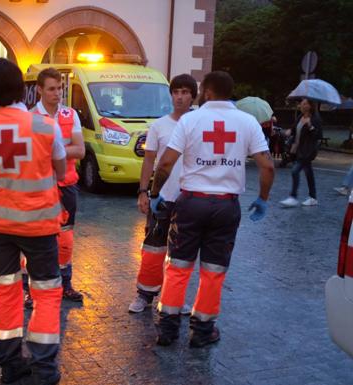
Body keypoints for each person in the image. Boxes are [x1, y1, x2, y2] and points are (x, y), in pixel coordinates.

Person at [148, 71, 274, 348]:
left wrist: (155, 193)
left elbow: (166, 163)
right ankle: (202, 332)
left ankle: (167, 329)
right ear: (231, 92)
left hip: (191, 202)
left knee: (179, 266)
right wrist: (263, 198)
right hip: (226, 206)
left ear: (205, 92)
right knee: (213, 270)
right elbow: (267, 166)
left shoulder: (191, 120)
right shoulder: (247, 122)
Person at [0, 58, 66, 385]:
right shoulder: (44, 126)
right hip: (39, 226)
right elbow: (62, 172)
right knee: (46, 293)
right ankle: (44, 368)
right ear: (21, 89)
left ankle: (10, 364)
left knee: (5, 291)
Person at [129, 74, 197, 314]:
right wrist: (143, 191)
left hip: (189, 200)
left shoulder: (199, 124)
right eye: (176, 92)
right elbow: (149, 162)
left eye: (185, 92)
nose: (179, 97)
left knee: (181, 253)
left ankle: (174, 298)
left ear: (193, 96)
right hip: (163, 197)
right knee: (153, 247)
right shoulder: (159, 126)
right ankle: (144, 294)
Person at [26, 67, 85, 305]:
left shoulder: (71, 114)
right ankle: (29, 288)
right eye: (51, 89)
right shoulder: (31, 117)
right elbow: (30, 155)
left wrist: (50, 152)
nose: (57, 93)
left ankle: (65, 284)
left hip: (66, 186)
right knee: (35, 240)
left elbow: (80, 150)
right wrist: (63, 151)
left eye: (59, 88)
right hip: (39, 188)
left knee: (65, 240)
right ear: (39, 89)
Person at [280, 98, 322, 207]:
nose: (301, 106)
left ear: (309, 106)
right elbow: (294, 129)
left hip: (307, 151)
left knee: (295, 171)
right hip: (298, 150)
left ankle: (293, 197)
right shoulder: (300, 117)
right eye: (301, 104)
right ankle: (313, 197)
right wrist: (289, 131)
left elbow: (317, 136)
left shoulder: (315, 119)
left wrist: (310, 126)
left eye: (303, 104)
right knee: (309, 174)